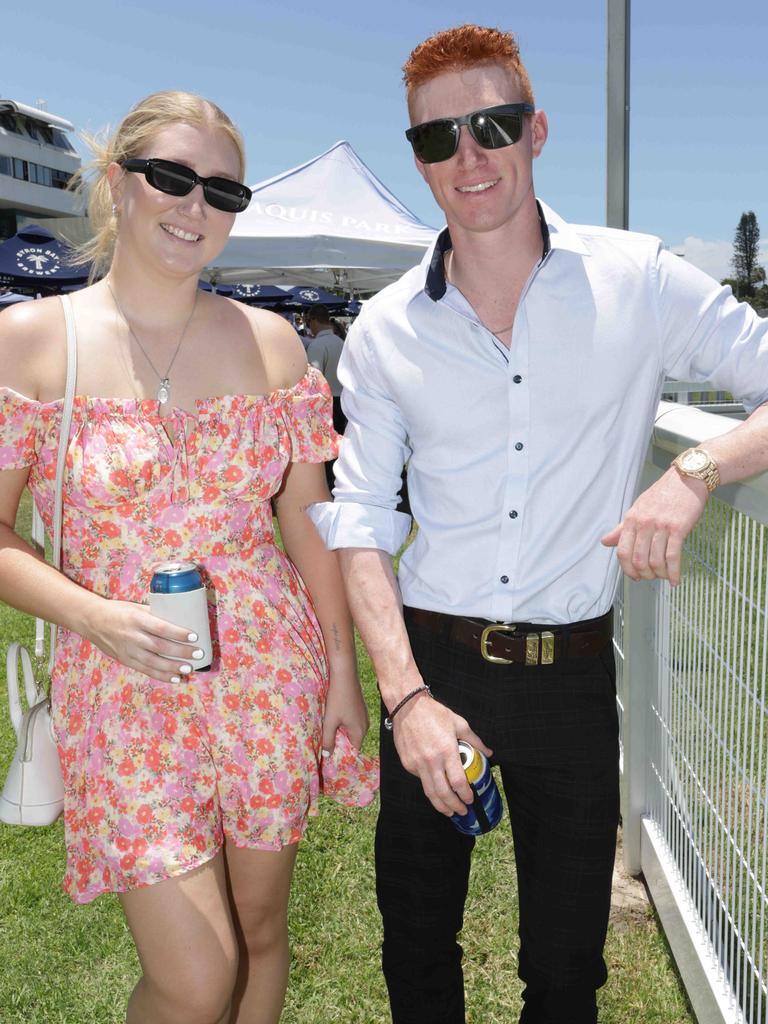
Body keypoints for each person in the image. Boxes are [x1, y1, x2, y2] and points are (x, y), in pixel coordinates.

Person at [308, 24, 768, 1024]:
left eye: (493, 125)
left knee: (566, 972)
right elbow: (358, 525)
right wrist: (407, 704)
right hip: (432, 665)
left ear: (536, 129)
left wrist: (696, 468)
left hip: (571, 678)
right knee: (417, 947)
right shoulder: (386, 328)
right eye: (439, 139)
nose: (469, 157)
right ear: (418, 156)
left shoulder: (638, 280)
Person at [0, 91, 376, 1024]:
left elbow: (305, 518)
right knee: (197, 975)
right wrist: (92, 616)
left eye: (222, 190)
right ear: (117, 184)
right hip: (123, 683)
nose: (194, 205)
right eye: (171, 177)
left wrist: (340, 672)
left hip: (266, 675)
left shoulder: (272, 342)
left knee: (258, 932)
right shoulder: (33, 343)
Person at [306, 305, 347, 489]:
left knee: (325, 449)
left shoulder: (318, 345)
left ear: (314, 320)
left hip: (326, 402)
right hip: (343, 401)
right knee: (339, 448)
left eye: (308, 322)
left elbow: (314, 379)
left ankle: (327, 485)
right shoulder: (341, 342)